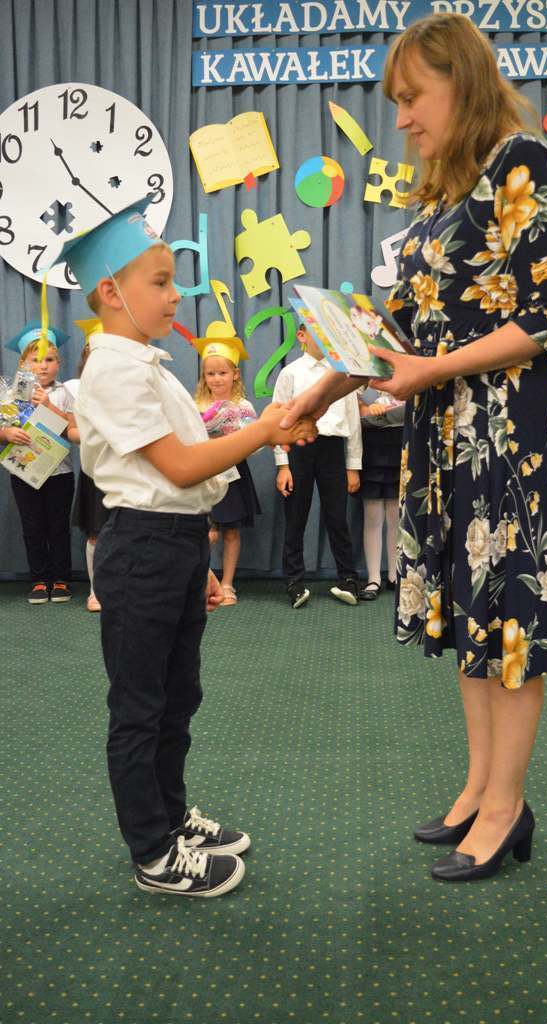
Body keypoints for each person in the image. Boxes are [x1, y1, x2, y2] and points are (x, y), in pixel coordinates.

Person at [280, 13, 547, 883]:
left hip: (508, 433)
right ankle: (479, 788)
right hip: (446, 431)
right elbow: (394, 332)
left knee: (510, 619)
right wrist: (316, 396)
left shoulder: (522, 161)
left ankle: (506, 806)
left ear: (460, 81)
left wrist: (432, 370)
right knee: (469, 615)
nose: (402, 119)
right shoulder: (442, 192)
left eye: (411, 97)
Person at [48, 196, 316, 898]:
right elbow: (179, 466)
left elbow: (178, 481)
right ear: (112, 292)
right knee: (140, 707)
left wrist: (197, 563)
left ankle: (170, 817)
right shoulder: (114, 369)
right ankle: (152, 852)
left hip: (171, 543)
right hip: (140, 547)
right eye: (161, 281)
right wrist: (265, 431)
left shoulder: (150, 364)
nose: (176, 295)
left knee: (176, 697)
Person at [273, 321, 362, 609]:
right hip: (298, 449)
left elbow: (353, 421)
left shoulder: (343, 375)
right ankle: (294, 582)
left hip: (333, 449)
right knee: (296, 517)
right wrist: (282, 465)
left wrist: (353, 466)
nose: (325, 338)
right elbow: (277, 420)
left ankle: (348, 578)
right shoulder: (290, 373)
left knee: (337, 517)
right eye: (317, 331)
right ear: (301, 336)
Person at [4, 321, 75, 603]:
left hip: (60, 473)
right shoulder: (11, 394)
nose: (42, 366)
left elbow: (73, 429)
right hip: (24, 472)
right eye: (35, 360)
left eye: (49, 360)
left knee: (58, 527)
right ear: (23, 363)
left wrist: (48, 405)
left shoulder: (64, 392)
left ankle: (61, 579)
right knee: (32, 528)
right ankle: (39, 580)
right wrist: (6, 434)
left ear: (58, 363)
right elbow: (3, 426)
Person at [193, 325, 261, 606]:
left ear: (235, 374)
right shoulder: (195, 405)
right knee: (205, 531)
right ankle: (200, 581)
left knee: (231, 530)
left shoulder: (243, 406)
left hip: (233, 474)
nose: (217, 378)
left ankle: (228, 583)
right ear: (204, 377)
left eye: (222, 373)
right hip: (204, 472)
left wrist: (237, 439)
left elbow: (255, 443)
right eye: (211, 374)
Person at [67, 318, 108, 612]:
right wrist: (96, 433)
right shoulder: (75, 390)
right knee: (96, 531)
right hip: (94, 469)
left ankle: (124, 587)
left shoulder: (128, 388)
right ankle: (96, 591)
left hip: (126, 471)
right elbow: (71, 431)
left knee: (128, 531)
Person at [355, 390, 405, 599]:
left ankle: (394, 575)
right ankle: (373, 578)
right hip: (372, 446)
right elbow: (353, 398)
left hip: (401, 443)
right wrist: (366, 408)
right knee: (372, 516)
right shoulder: (364, 376)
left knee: (396, 516)